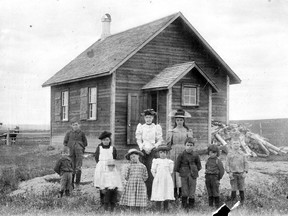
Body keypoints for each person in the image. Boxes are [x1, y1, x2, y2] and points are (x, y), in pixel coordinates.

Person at [135, 109, 163, 199]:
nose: (148, 119)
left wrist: (153, 147)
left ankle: (152, 194)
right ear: (144, 118)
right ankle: (141, 194)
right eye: (146, 117)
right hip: (143, 151)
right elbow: (138, 139)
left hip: (153, 151)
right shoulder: (141, 127)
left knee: (152, 172)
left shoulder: (156, 127)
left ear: (153, 118)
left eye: (150, 117)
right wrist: (142, 147)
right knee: (142, 171)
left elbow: (159, 140)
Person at [167, 109, 193, 199]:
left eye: (181, 120)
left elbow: (190, 143)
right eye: (177, 120)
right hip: (173, 152)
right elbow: (168, 144)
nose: (179, 122)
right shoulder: (172, 131)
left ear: (184, 121)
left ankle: (182, 192)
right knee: (174, 171)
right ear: (175, 121)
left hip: (183, 152)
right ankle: (174, 192)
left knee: (183, 170)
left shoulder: (188, 131)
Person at [174, 137, 202, 210]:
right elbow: (177, 166)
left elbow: (199, 166)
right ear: (185, 145)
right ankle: (184, 206)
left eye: (191, 145)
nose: (189, 147)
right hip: (184, 175)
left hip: (193, 175)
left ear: (193, 146)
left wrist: (194, 170)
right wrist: (182, 171)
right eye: (187, 145)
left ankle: (191, 206)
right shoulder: (181, 155)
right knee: (185, 190)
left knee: (192, 190)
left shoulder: (196, 155)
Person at [94, 131, 117, 204]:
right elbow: (97, 158)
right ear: (101, 141)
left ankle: (111, 201)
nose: (105, 141)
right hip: (101, 167)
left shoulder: (112, 148)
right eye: (104, 140)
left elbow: (114, 157)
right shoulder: (99, 148)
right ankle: (102, 201)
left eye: (107, 140)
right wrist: (102, 164)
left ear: (110, 140)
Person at [63, 118, 88, 188]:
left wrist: (80, 146)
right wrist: (69, 147)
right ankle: (71, 184)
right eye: (74, 125)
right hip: (71, 153)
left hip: (79, 153)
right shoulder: (68, 133)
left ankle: (77, 184)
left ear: (79, 125)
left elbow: (85, 142)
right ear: (71, 126)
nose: (75, 126)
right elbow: (65, 142)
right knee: (71, 167)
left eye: (76, 125)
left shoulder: (82, 133)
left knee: (78, 168)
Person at [150, 144, 174, 212]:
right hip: (158, 180)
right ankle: (158, 209)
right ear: (158, 153)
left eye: (164, 153)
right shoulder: (156, 161)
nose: (163, 154)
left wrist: (166, 177)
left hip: (166, 180)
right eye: (161, 152)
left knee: (166, 193)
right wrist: (157, 177)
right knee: (159, 193)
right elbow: (153, 170)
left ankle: (166, 209)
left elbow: (170, 171)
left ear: (167, 154)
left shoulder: (169, 162)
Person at [225, 137, 249, 204]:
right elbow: (227, 164)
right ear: (231, 145)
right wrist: (229, 172)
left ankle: (242, 201)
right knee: (233, 188)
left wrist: (245, 171)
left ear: (240, 144)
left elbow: (246, 163)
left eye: (237, 143)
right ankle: (233, 201)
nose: (236, 145)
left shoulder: (242, 154)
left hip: (241, 174)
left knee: (241, 188)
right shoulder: (229, 154)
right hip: (233, 174)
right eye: (234, 143)